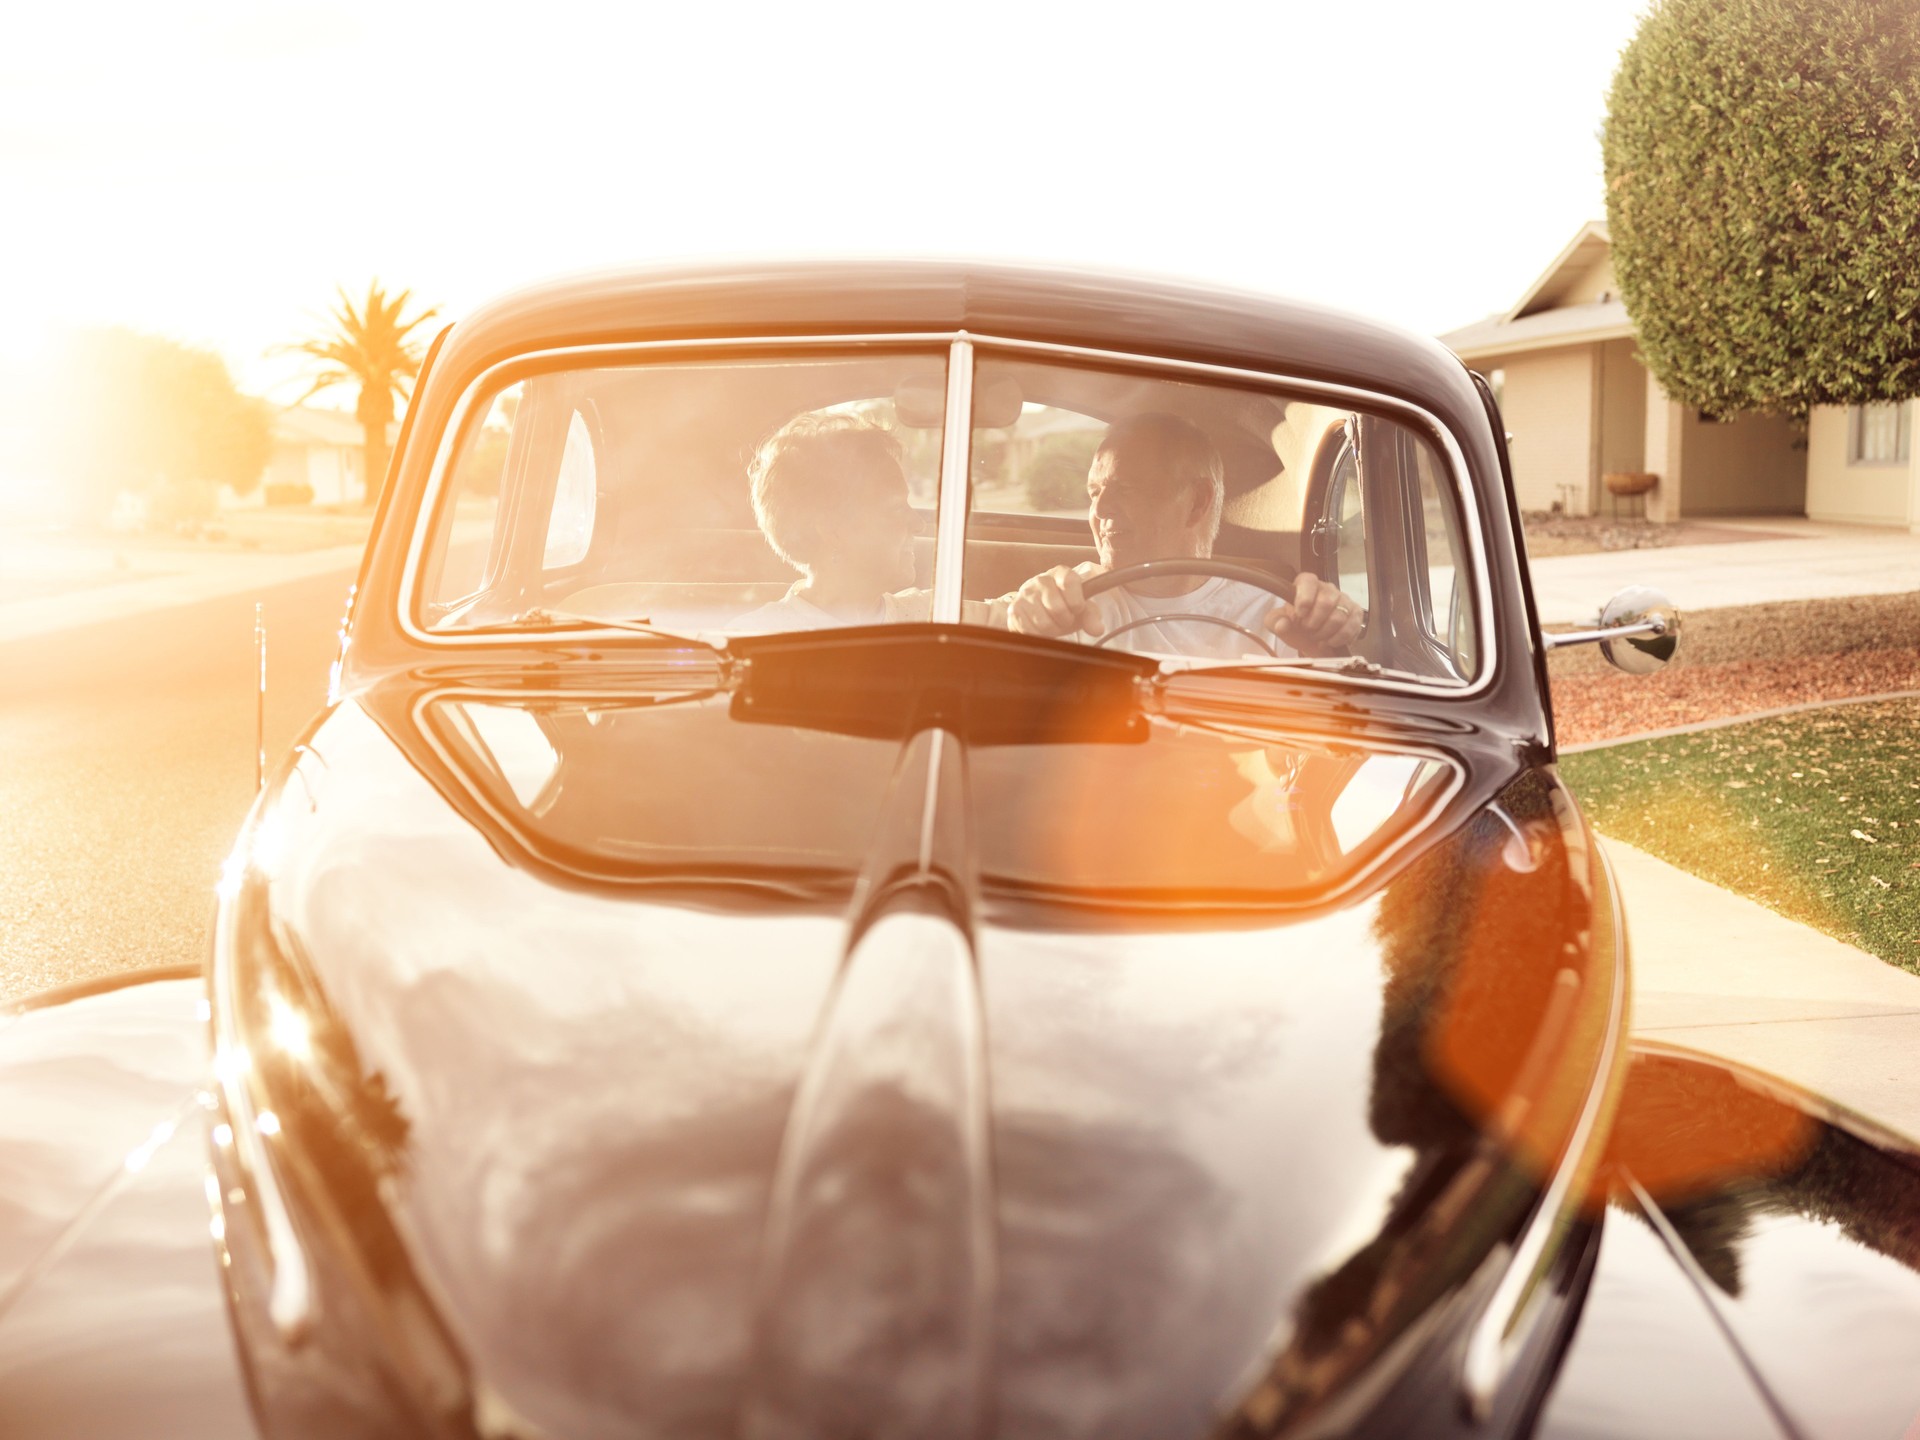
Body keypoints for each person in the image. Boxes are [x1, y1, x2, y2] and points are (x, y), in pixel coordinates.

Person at [1005, 412, 1364, 659]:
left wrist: (1325, 646)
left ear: (1197, 502)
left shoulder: (1278, 615)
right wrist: (1023, 630)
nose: (1100, 511)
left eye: (1126, 488)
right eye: (1094, 492)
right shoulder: (1069, 603)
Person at [732, 412, 1007, 632]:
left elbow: (1019, 614)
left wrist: (1049, 586)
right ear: (834, 531)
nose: (917, 524)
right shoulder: (754, 638)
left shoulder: (931, 612)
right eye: (896, 508)